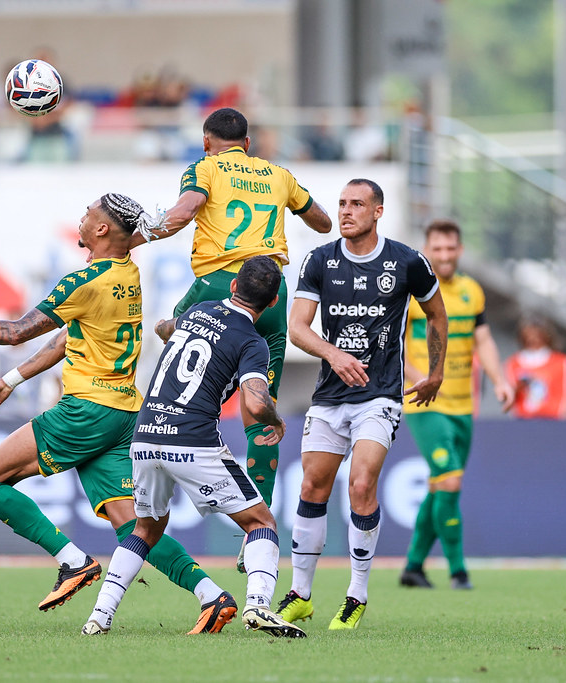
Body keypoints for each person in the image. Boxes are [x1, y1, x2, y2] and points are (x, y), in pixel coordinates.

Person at [0, 193, 229, 632]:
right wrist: (11, 381)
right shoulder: (127, 271)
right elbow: (67, 338)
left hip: (86, 412)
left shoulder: (83, 281)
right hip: (125, 413)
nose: (82, 218)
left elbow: (15, 331)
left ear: (103, 229)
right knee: (133, 526)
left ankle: (72, 561)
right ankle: (211, 594)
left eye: (88, 214)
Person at [131, 107, 332, 557]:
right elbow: (322, 222)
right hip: (271, 295)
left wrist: (140, 234)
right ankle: (255, 530)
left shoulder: (203, 168)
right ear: (247, 142)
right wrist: (289, 205)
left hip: (221, 284)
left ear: (207, 142)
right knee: (261, 409)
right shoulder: (278, 174)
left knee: (173, 336)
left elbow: (185, 211)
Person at [82, 256, 305, 638]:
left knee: (145, 529)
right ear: (271, 304)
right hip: (192, 440)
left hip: (146, 435)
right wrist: (276, 419)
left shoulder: (199, 309)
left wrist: (167, 327)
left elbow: (169, 328)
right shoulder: (253, 342)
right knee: (261, 523)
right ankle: (259, 606)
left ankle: (99, 617)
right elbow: (254, 402)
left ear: (234, 286)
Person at [276, 179, 448, 630]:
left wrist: (436, 371)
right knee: (312, 486)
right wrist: (333, 353)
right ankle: (301, 594)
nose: (346, 211)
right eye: (342, 204)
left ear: (378, 212)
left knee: (361, 484)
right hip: (330, 394)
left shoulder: (408, 262)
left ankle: (356, 595)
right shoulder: (320, 260)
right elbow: (298, 327)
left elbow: (437, 313)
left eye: (357, 204)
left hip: (380, 394)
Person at [400, 219, 514, 591]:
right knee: (449, 479)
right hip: (425, 403)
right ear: (427, 250)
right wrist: (417, 373)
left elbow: (484, 341)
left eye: (451, 249)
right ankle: (458, 571)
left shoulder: (471, 292)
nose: (445, 256)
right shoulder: (411, 291)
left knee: (442, 486)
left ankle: (413, 567)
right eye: (438, 249)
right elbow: (393, 344)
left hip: (464, 405)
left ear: (459, 251)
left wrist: (499, 380)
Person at [504, 316, 566, 419]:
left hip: (554, 421)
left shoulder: (562, 362)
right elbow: (508, 399)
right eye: (529, 333)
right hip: (523, 421)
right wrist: (520, 386)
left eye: (537, 333)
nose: (532, 337)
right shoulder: (512, 363)